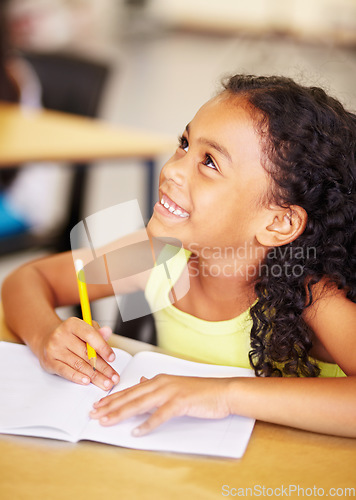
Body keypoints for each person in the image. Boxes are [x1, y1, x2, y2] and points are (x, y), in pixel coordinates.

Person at [2, 74, 356, 438]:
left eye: (210, 163)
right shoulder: (157, 256)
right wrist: (46, 336)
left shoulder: (312, 296)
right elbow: (28, 280)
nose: (171, 169)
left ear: (279, 222)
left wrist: (225, 394)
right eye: (185, 144)